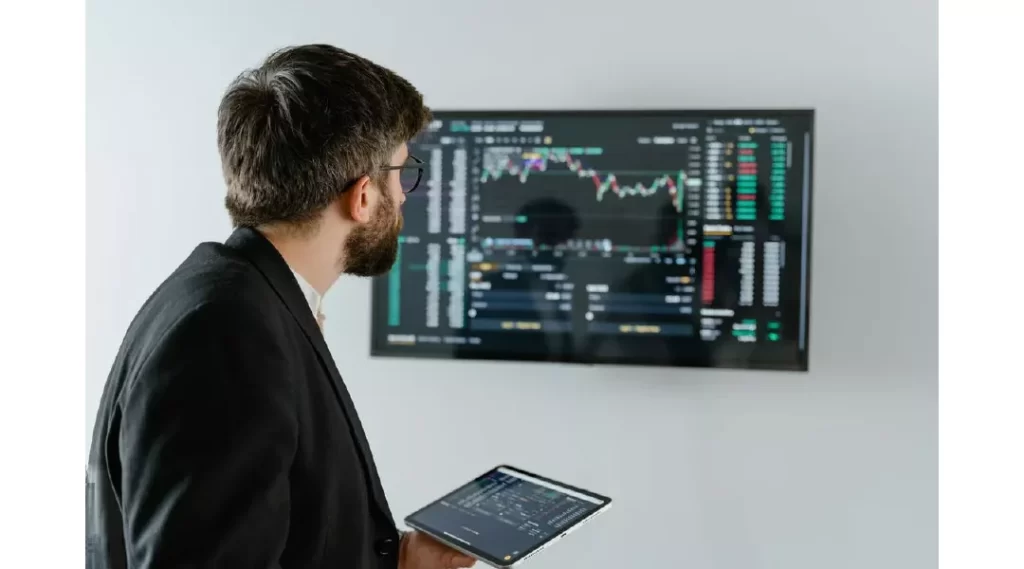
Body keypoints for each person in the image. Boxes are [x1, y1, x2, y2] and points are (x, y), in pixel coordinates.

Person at [86, 44, 476, 569]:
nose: (404, 197)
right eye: (401, 175)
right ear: (362, 196)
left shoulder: (239, 300)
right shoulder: (228, 331)